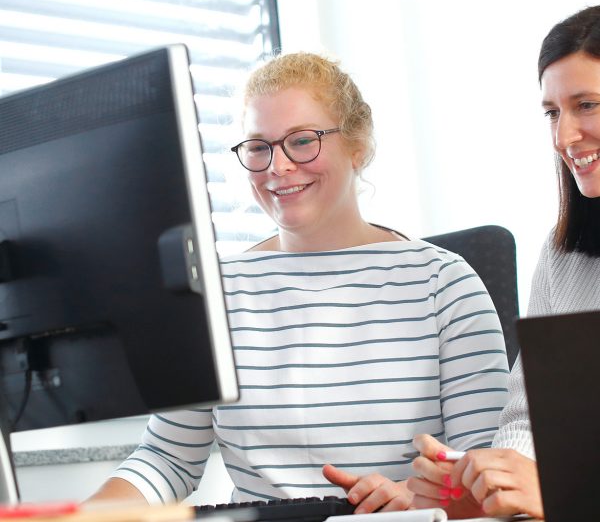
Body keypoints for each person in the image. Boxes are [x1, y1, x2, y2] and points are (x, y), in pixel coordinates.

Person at [87, 52, 509, 509]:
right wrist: (80, 519)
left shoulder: (444, 284)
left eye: (302, 141)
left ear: (357, 145)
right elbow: (167, 459)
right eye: (258, 147)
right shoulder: (213, 294)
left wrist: (410, 494)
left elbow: (484, 465)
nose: (278, 166)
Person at [405, 5, 600, 519]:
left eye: (587, 105)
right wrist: (488, 483)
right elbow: (529, 418)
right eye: (553, 113)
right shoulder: (564, 258)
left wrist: (562, 493)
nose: (564, 138)